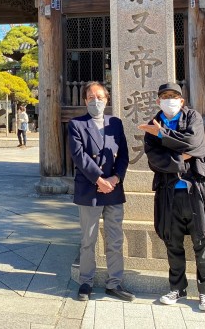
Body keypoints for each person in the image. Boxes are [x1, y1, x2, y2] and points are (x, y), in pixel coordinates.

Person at [139, 82, 205, 312]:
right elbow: (155, 160)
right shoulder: (152, 125)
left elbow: (195, 144)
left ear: (181, 100)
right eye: (165, 96)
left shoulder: (192, 117)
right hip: (169, 193)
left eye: (174, 96)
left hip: (197, 191)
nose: (170, 100)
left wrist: (163, 135)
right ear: (158, 101)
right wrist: (182, 156)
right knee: (173, 243)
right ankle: (177, 288)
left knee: (203, 244)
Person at [68, 81, 134, 302]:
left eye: (99, 97)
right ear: (85, 100)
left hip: (113, 189)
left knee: (115, 239)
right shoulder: (76, 124)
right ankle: (86, 281)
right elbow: (79, 156)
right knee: (88, 240)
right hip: (90, 189)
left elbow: (123, 155)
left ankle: (114, 282)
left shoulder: (115, 123)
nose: (95, 101)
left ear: (107, 99)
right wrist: (98, 179)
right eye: (91, 97)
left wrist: (115, 178)